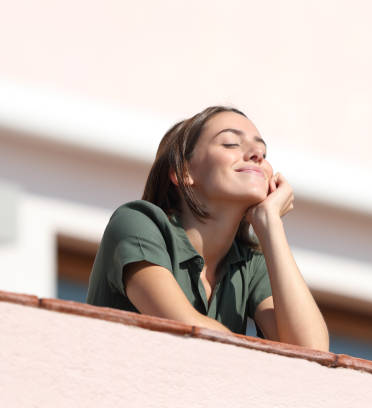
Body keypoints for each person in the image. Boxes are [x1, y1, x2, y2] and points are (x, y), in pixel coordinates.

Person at [86, 106, 329, 351]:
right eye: (231, 144)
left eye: (263, 152)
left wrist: (270, 224)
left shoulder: (250, 264)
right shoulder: (137, 223)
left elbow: (312, 352)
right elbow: (185, 330)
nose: (257, 154)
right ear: (183, 171)